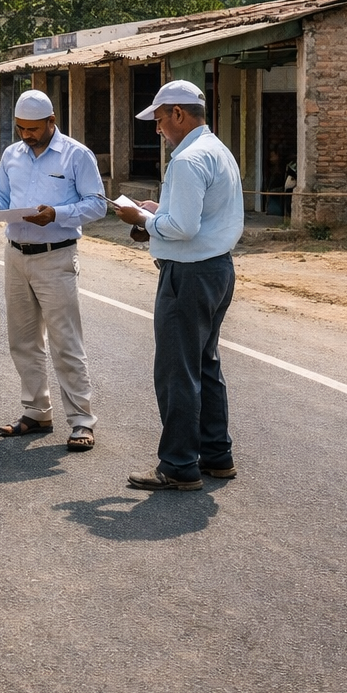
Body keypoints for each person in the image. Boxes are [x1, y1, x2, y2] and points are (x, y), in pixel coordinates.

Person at [115, 79, 244, 492]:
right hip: (217, 269)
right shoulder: (217, 151)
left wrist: (142, 219)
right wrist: (160, 211)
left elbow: (183, 229)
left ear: (177, 113)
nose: (157, 130)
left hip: (188, 274)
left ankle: (178, 465)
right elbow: (196, 216)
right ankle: (216, 455)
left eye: (158, 120)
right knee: (205, 364)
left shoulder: (187, 160)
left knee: (177, 370)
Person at [0, 89, 108, 451]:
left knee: (66, 342)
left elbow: (97, 205)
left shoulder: (76, 156)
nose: (26, 135)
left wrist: (57, 214)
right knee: (23, 340)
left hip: (56, 256)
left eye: (33, 128)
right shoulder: (11, 155)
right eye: (20, 128)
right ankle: (37, 411)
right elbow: (2, 195)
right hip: (16, 254)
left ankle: (82, 421)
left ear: (52, 121)